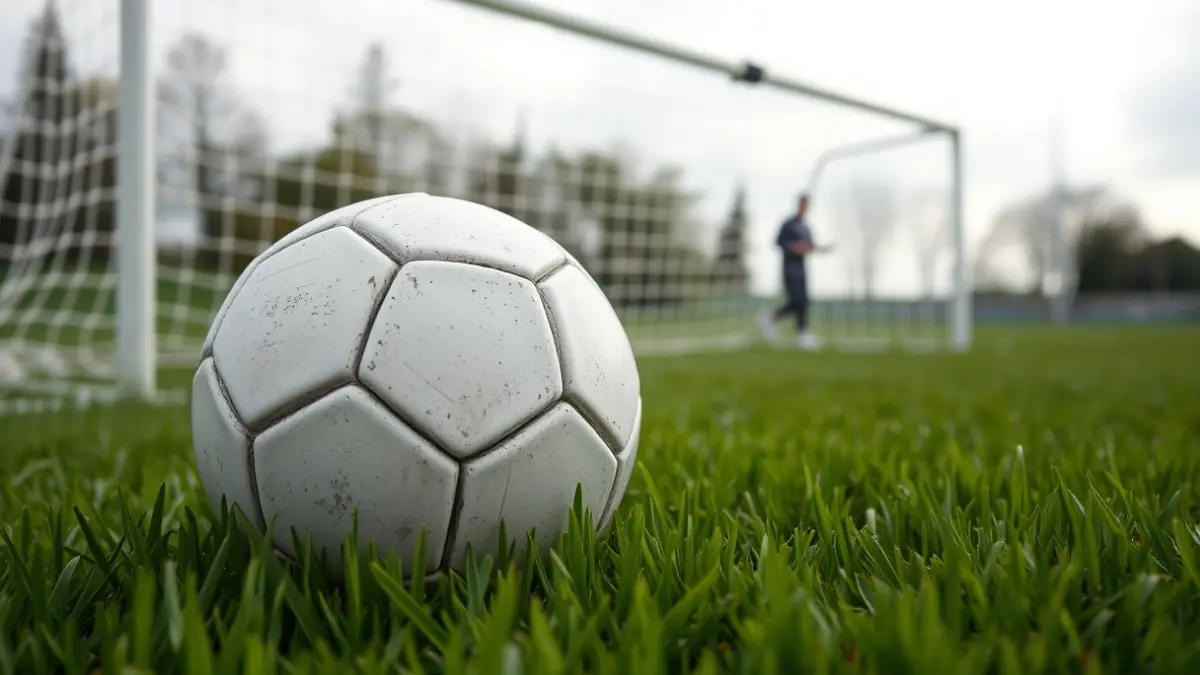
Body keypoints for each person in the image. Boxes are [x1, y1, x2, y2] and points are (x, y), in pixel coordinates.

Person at [759, 193, 832, 350]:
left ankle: (802, 334)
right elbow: (778, 242)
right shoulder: (788, 224)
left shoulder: (805, 226)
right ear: (798, 205)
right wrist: (793, 247)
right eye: (803, 205)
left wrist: (821, 248)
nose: (805, 208)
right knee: (796, 300)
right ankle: (772, 317)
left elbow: (809, 245)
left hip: (802, 268)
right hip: (789, 268)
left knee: (804, 301)